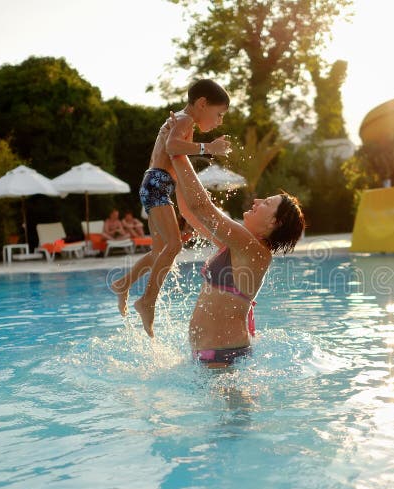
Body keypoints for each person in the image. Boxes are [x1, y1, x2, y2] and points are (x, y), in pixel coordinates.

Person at [112, 79, 232, 336]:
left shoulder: (179, 120)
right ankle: (146, 301)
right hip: (156, 184)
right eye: (218, 114)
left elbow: (174, 153)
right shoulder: (185, 120)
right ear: (202, 104)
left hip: (156, 184)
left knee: (159, 252)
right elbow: (172, 146)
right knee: (174, 245)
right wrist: (209, 148)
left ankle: (123, 284)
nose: (219, 121)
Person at [169, 152, 305, 367]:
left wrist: (177, 153)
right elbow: (189, 212)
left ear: (273, 222)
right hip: (207, 357)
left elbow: (202, 207)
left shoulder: (255, 251)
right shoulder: (236, 244)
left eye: (266, 203)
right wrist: (173, 170)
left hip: (225, 358)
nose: (257, 201)